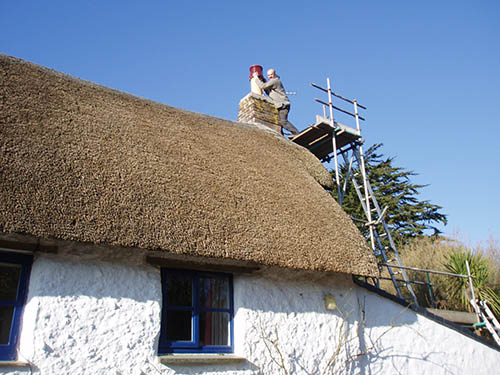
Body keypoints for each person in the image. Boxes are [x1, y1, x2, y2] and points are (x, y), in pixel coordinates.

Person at [254, 68, 299, 137]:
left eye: (271, 74)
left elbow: (263, 86)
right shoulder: (272, 82)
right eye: (268, 75)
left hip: (283, 105)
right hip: (279, 105)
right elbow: (267, 89)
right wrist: (262, 80)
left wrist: (255, 78)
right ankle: (281, 135)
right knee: (279, 122)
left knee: (283, 121)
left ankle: (296, 133)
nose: (270, 76)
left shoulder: (275, 81)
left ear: (275, 74)